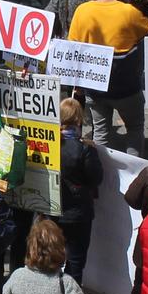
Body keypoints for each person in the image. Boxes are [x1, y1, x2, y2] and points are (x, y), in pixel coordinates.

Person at [66, 0, 148, 152]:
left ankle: (101, 174)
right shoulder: (129, 12)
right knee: (135, 129)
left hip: (95, 85)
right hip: (127, 84)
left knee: (101, 132)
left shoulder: (83, 11)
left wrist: (77, 85)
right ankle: (135, 173)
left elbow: (74, 48)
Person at [55, 98, 101, 282]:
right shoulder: (85, 150)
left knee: (51, 260)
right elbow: (96, 178)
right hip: (77, 214)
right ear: (78, 119)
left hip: (52, 212)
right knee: (75, 263)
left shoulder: (51, 144)